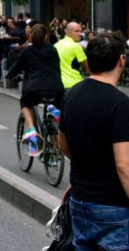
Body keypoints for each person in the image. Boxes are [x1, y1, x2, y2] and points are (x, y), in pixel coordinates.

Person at [58, 33, 129, 250]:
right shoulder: (120, 104)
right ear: (121, 60)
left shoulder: (71, 95)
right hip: (112, 205)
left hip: (79, 201)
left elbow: (63, 146)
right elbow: (123, 165)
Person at [5, 24, 63, 150]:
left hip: (34, 89)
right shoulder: (53, 50)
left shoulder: (28, 51)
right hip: (56, 89)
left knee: (25, 103)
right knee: (50, 116)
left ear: (30, 36)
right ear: (46, 36)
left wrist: (9, 76)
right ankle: (55, 151)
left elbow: (16, 67)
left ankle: (31, 130)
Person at [55, 21, 90, 90]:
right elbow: (87, 67)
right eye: (77, 31)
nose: (80, 34)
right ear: (68, 32)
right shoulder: (76, 46)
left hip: (58, 84)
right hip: (75, 83)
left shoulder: (56, 45)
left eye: (81, 31)